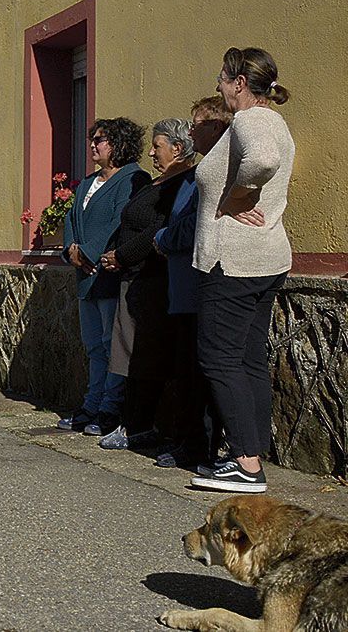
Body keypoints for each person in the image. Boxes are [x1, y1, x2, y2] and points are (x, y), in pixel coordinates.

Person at [189, 47, 294, 494]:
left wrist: (237, 197)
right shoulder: (273, 121)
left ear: (238, 83)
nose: (217, 85)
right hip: (264, 258)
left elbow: (262, 161)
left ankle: (246, 465)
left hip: (233, 260)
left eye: (221, 78)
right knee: (248, 357)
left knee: (219, 357)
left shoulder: (252, 120)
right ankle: (252, 452)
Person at [97, 119, 191, 450]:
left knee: (142, 355)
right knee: (129, 353)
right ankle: (132, 422)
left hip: (150, 278)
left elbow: (157, 229)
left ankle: (138, 426)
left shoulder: (178, 186)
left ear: (177, 149)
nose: (151, 151)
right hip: (134, 277)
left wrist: (121, 255)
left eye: (158, 145)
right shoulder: (160, 182)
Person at [151, 97, 233, 469]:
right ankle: (189, 443)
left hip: (200, 287)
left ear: (216, 128)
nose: (191, 131)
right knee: (186, 372)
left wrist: (163, 240)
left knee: (200, 373)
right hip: (182, 288)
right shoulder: (197, 173)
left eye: (197, 124)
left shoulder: (216, 171)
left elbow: (196, 223)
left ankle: (203, 448)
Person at [57, 118, 150, 436]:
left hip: (109, 274)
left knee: (113, 348)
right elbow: (71, 216)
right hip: (86, 277)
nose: (93, 145)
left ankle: (110, 408)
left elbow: (119, 221)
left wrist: (91, 252)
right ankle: (91, 404)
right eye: (92, 139)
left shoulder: (133, 179)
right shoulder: (87, 183)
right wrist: (71, 248)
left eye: (101, 139)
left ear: (119, 143)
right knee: (93, 346)